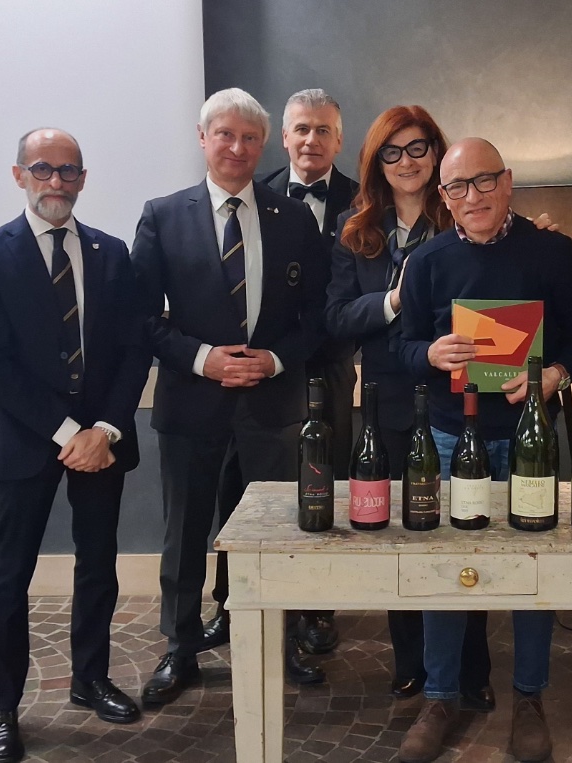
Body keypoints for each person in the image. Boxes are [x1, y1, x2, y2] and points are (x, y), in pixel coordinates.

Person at [396, 137, 572, 763]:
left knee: (533, 567)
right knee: (443, 569)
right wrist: (430, 353)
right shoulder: (426, 261)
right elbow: (403, 350)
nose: (473, 196)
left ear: (507, 183)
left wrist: (555, 373)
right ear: (444, 196)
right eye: (458, 186)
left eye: (484, 181)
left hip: (529, 438)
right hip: (450, 438)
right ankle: (439, 696)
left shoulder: (552, 252)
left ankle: (529, 698)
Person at [130, 88, 329, 702]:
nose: (237, 148)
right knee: (186, 532)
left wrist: (274, 359)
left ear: (263, 145)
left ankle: (280, 638)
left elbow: (318, 315)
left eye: (249, 138)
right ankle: (180, 647)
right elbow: (141, 317)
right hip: (193, 402)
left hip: (273, 402)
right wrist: (203, 360)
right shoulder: (163, 215)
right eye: (225, 134)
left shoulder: (293, 218)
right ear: (202, 137)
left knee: (277, 532)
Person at [0, 128, 152, 763]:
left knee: (98, 563)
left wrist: (106, 430)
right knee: (9, 575)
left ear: (83, 179)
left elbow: (133, 350)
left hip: (103, 441)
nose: (56, 181)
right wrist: (70, 433)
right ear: (19, 174)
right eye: (43, 168)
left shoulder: (111, 252)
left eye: (69, 171)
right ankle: (2, 707)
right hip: (27, 440)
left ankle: (90, 678)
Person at [324, 105, 493, 708]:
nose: (406, 162)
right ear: (376, 163)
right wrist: (394, 300)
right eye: (391, 152)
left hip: (457, 398)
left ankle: (472, 669)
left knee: (465, 534)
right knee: (405, 534)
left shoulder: (466, 212)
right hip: (389, 402)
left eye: (418, 148)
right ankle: (412, 661)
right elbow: (337, 317)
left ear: (437, 153)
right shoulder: (354, 227)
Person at [259, 88, 360, 656]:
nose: (311, 139)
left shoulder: (364, 200)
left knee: (328, 486)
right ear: (285, 136)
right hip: (272, 371)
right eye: (301, 128)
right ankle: (251, 600)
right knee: (267, 492)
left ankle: (320, 607)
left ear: (339, 140)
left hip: (334, 367)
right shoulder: (258, 194)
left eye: (323, 130)